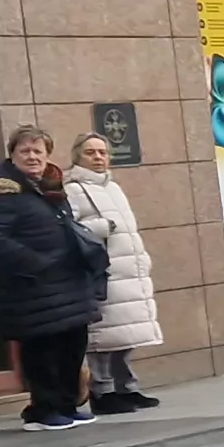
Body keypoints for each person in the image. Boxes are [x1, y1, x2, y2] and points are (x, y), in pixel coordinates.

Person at [0, 126, 106, 431]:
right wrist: (35, 263)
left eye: (38, 151)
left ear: (47, 156)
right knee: (42, 350)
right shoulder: (2, 194)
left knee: (72, 344)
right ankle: (44, 410)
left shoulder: (50, 187)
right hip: (31, 286)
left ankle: (68, 404)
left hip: (68, 282)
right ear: (13, 155)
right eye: (25, 151)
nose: (32, 157)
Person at [66, 132, 162, 413]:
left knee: (126, 334)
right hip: (102, 273)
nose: (98, 157)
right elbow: (67, 228)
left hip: (126, 271)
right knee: (103, 337)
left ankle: (126, 387)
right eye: (91, 152)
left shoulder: (113, 187)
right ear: (78, 156)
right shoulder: (73, 189)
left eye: (103, 152)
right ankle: (102, 391)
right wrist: (100, 227)